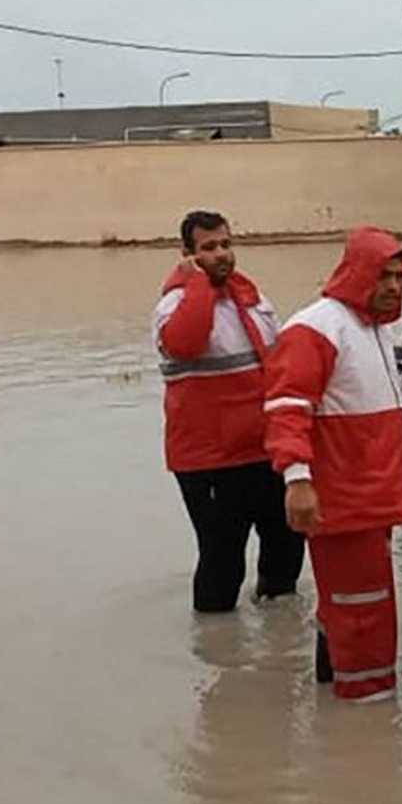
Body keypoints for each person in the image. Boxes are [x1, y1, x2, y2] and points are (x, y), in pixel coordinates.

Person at [263, 228, 402, 702]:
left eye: (399, 277)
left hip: (371, 498)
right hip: (344, 500)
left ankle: (340, 690)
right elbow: (287, 409)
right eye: (384, 275)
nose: (393, 286)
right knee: (362, 612)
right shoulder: (316, 329)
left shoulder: (373, 329)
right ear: (357, 272)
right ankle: (367, 718)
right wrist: (298, 480)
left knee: (350, 606)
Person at [152, 209, 304, 613]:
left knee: (287, 545)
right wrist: (198, 281)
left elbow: (281, 364)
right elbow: (184, 342)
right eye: (209, 248)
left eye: (226, 244)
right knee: (222, 559)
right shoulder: (173, 307)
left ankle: (280, 642)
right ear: (187, 254)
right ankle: (217, 650)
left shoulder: (252, 299)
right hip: (209, 460)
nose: (221, 254)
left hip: (264, 450)